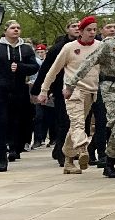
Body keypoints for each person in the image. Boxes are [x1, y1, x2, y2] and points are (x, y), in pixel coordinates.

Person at [69, 9, 115, 177]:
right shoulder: (109, 44)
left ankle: (109, 164)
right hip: (110, 86)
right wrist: (71, 84)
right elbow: (89, 62)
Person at [38, 17, 103, 172]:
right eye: (89, 30)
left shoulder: (100, 46)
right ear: (80, 32)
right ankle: (82, 149)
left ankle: (68, 160)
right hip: (73, 92)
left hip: (92, 92)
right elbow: (53, 70)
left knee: (74, 127)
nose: (92, 33)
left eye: (95, 29)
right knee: (78, 123)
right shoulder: (69, 48)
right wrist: (44, 90)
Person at [0, 19, 40, 171]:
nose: (16, 30)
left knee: (12, 124)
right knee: (1, 122)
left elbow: (34, 67)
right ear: (5, 30)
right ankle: (1, 158)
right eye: (13, 28)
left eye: (18, 28)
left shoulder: (26, 49)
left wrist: (20, 67)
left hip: (18, 91)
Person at [34, 19, 81, 164]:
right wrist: (41, 90)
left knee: (77, 122)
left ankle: (67, 149)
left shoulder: (86, 45)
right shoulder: (58, 48)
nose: (77, 29)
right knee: (63, 121)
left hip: (81, 88)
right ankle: (62, 152)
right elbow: (47, 69)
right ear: (67, 29)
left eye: (79, 26)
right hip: (61, 89)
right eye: (73, 26)